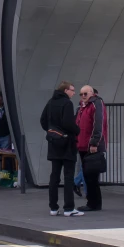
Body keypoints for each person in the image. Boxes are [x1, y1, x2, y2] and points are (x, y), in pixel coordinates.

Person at [41, 81, 82, 216]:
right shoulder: (67, 103)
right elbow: (68, 123)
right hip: (67, 144)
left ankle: (53, 208)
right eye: (72, 90)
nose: (74, 93)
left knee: (54, 176)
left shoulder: (50, 102)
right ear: (65, 91)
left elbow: (43, 120)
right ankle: (69, 208)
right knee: (68, 176)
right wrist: (77, 130)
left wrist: (52, 131)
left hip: (54, 143)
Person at [76, 85, 107, 212]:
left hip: (91, 146)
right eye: (81, 94)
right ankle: (92, 202)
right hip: (82, 145)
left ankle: (94, 203)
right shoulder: (82, 107)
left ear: (92, 93)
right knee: (88, 176)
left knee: (91, 176)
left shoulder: (96, 104)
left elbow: (98, 123)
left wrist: (94, 143)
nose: (83, 96)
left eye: (85, 93)